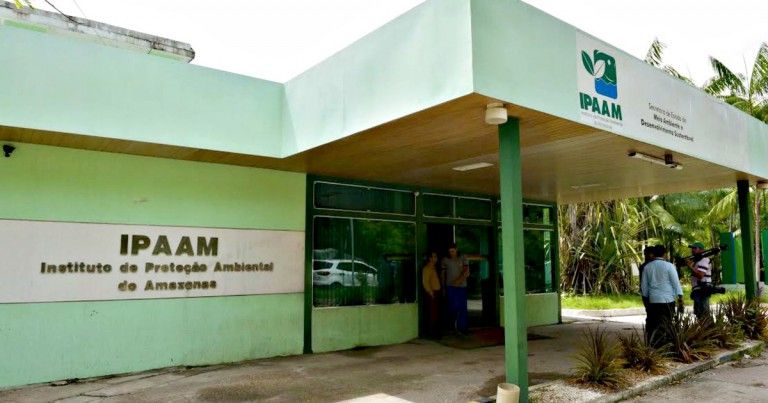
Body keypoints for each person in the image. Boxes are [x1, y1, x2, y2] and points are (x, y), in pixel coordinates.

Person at [641, 245, 684, 346]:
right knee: (667, 323)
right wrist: (680, 298)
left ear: (654, 254)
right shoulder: (669, 266)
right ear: (665, 254)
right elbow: (676, 283)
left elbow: (644, 287)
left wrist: (647, 299)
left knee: (655, 323)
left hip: (653, 300)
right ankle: (665, 345)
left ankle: (655, 345)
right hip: (667, 300)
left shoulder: (647, 267)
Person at [442, 243, 470, 335]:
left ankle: (463, 328)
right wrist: (443, 287)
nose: (452, 253)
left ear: (456, 250)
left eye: (453, 251)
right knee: (452, 306)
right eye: (450, 251)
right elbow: (443, 274)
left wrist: (458, 281)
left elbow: (467, 271)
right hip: (450, 286)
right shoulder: (445, 260)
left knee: (462, 307)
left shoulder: (463, 257)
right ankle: (452, 326)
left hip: (461, 286)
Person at [687, 241, 713, 321]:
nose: (692, 250)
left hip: (702, 289)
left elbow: (700, 275)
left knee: (703, 312)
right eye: (692, 248)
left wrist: (690, 266)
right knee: (698, 312)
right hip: (698, 289)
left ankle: (708, 327)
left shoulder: (704, 260)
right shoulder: (697, 260)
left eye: (695, 248)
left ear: (701, 250)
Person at [421, 251, 441, 338]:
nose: (436, 258)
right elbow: (425, 282)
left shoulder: (434, 268)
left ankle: (435, 332)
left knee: (436, 314)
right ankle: (431, 333)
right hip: (432, 293)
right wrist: (430, 292)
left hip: (437, 292)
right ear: (430, 258)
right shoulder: (427, 268)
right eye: (434, 256)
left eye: (436, 256)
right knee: (432, 314)